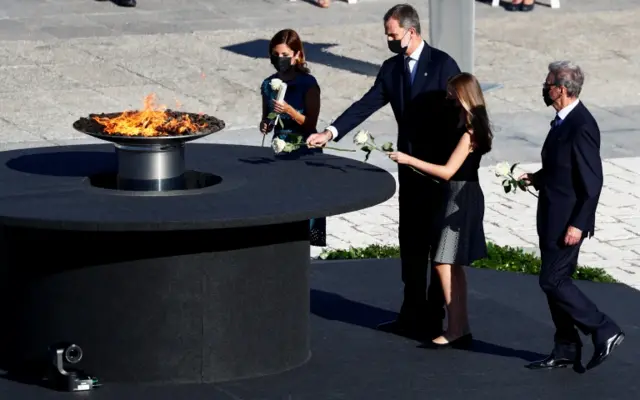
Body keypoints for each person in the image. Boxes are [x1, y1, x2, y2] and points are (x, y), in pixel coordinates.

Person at [307, 4, 461, 340]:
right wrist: (331, 132)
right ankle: (411, 313)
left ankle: (434, 317)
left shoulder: (442, 64)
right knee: (411, 242)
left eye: (392, 34)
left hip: (437, 170)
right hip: (409, 170)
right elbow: (366, 103)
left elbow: (460, 111)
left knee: (437, 244)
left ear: (411, 31)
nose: (388, 40)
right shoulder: (391, 69)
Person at [519, 61, 624, 371]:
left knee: (552, 280)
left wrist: (579, 224)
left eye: (548, 83)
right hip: (552, 215)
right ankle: (566, 347)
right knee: (555, 281)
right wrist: (535, 178)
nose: (545, 87)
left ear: (561, 89)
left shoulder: (582, 125)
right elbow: (563, 167)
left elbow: (593, 182)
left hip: (568, 221)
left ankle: (604, 328)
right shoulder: (564, 120)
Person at [388, 73, 490, 348]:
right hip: (458, 194)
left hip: (460, 197)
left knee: (444, 262)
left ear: (464, 95)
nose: (448, 98)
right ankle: (459, 325)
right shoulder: (462, 122)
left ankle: (455, 328)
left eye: (452, 94)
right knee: (451, 264)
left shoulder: (470, 132)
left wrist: (408, 159)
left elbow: (447, 172)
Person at [260, 29, 325, 247]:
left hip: (305, 149)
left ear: (297, 55)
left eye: (285, 55)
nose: (280, 59)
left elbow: (311, 124)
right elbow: (267, 118)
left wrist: (289, 110)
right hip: (280, 150)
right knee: (281, 204)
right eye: (276, 55)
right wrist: (266, 124)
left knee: (305, 205)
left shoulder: (308, 83)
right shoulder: (268, 84)